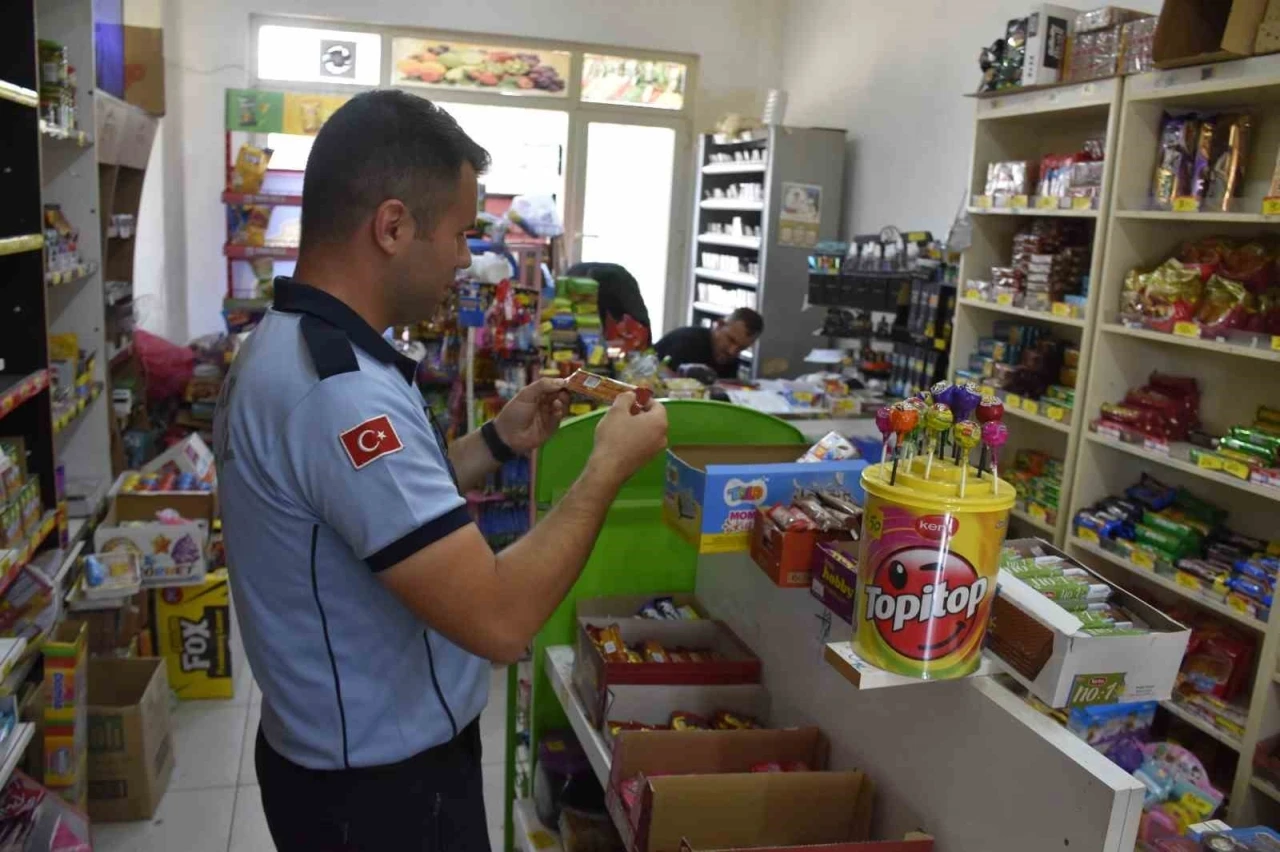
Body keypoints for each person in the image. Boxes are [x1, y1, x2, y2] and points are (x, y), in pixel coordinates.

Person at [213, 90, 668, 852]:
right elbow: (499, 618)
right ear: (392, 226)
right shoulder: (341, 395)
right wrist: (606, 467)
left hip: (341, 767)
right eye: (459, 234)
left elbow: (370, 512)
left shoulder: (288, 345)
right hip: (381, 799)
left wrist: (496, 440)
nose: (464, 259)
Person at [654, 307, 763, 379]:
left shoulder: (731, 357)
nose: (732, 351)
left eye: (741, 348)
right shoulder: (687, 341)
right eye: (731, 340)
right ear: (719, 325)